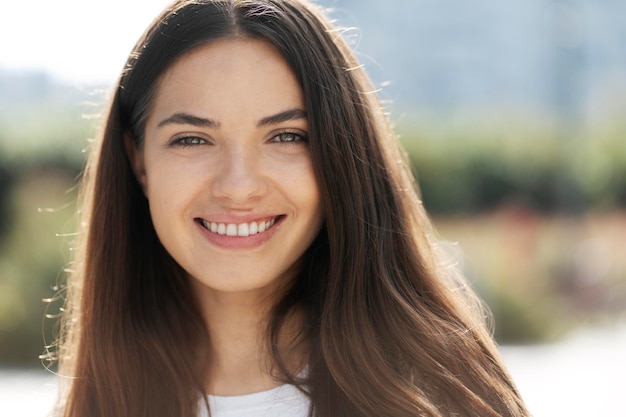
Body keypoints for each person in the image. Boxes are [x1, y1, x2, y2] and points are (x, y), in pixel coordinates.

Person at [51, 0, 531, 416]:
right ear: (139, 163)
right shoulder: (98, 400)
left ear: (341, 157)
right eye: (193, 139)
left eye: (286, 136)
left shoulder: (437, 402)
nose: (238, 187)